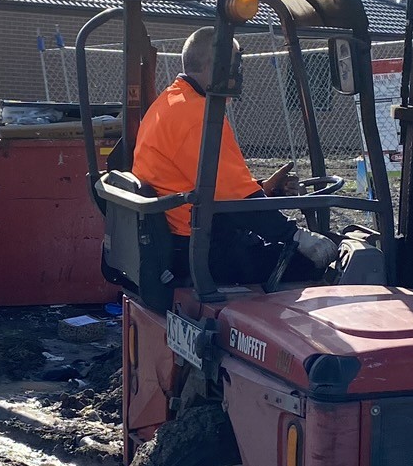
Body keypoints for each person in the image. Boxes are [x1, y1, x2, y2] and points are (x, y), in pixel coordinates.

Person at [130, 26, 335, 286]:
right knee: (316, 265)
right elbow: (240, 201)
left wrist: (265, 189)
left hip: (184, 235)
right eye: (236, 65)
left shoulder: (171, 101)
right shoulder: (198, 117)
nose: (239, 74)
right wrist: (296, 235)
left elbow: (217, 186)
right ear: (216, 66)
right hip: (203, 249)